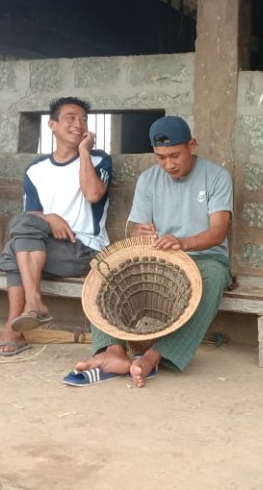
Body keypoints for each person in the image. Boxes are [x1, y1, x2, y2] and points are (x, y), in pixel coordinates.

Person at [66, 116, 232, 387]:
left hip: (205, 257)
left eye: (175, 155)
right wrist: (138, 233)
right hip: (160, 257)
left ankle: (153, 357)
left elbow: (218, 231)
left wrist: (184, 243)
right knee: (105, 269)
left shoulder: (216, 176)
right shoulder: (148, 179)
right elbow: (134, 231)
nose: (169, 164)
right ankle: (113, 351)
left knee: (211, 278)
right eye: (161, 157)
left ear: (192, 145)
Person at [0, 97, 112, 357]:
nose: (79, 124)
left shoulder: (98, 159)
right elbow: (30, 215)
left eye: (84, 119)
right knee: (21, 230)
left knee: (14, 250)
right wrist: (50, 218)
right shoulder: (36, 169)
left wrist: (85, 152)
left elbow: (93, 195)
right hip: (46, 247)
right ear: (52, 125)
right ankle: (32, 305)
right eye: (71, 118)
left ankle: (15, 326)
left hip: (84, 249)